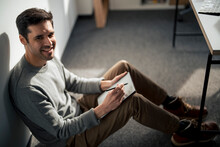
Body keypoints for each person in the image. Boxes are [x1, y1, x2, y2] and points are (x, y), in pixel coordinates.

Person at [9, 8, 219, 147]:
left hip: (79, 109)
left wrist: (104, 84)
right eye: (39, 37)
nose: (49, 42)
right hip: (72, 139)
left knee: (122, 67)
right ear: (23, 39)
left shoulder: (45, 55)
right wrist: (103, 109)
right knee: (133, 102)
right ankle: (183, 130)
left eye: (50, 34)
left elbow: (71, 81)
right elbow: (61, 131)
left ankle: (171, 104)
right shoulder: (27, 88)